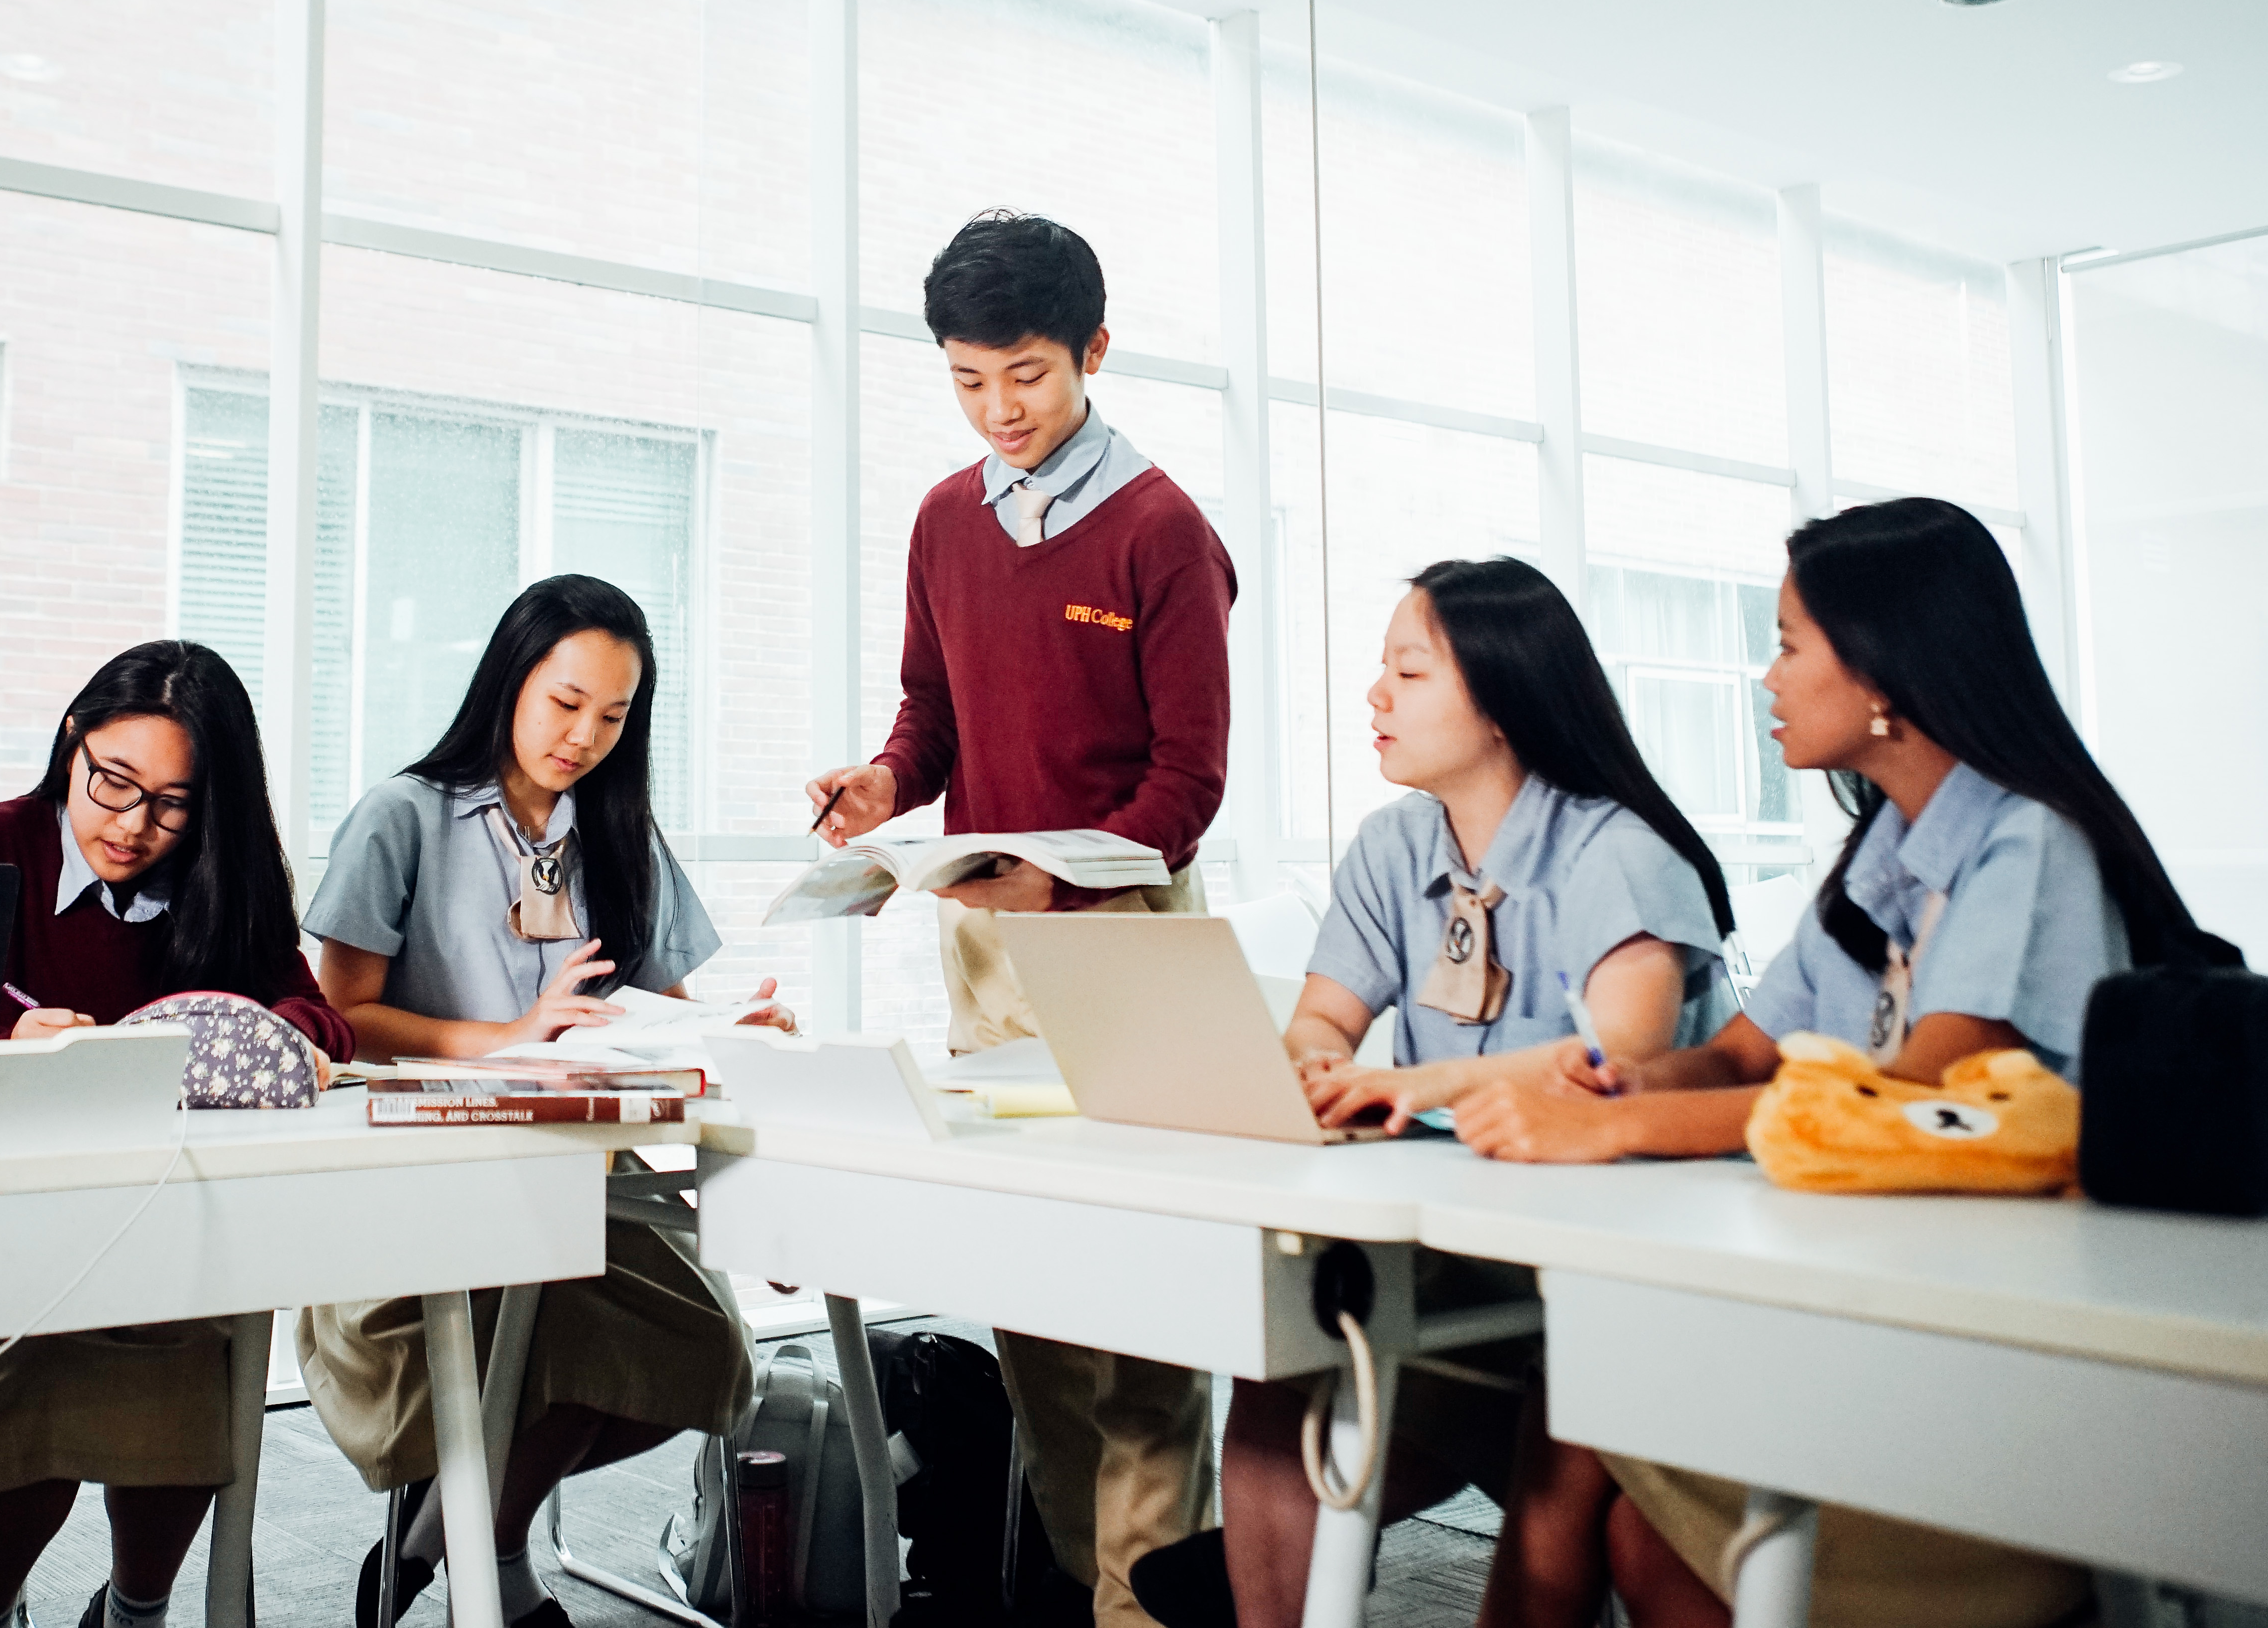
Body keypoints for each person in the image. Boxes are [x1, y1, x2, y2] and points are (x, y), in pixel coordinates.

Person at [1455, 498, 2199, 1628]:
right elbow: (1740, 1054)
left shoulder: (2026, 843)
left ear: (1885, 672)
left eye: (1790, 644)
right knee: (1631, 1525)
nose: (1767, 679)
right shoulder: (1885, 851)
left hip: (2015, 1392)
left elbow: (1910, 1101)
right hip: (1884, 1317)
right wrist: (1628, 1083)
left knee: (1583, 1392)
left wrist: (1614, 1132)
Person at [1128, 558, 1735, 1628]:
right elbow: (1323, 1018)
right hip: (1463, 1264)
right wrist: (1313, 1063)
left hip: (1623, 1287)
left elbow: (1615, 1063)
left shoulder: (1620, 853)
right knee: (1277, 1381)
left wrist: (1404, 1082)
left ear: (1501, 698)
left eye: (1407, 672)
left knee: (1547, 1445)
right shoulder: (1393, 846)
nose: (1374, 697)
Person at [807, 210, 1238, 1628]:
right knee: (1045, 1296)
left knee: (1153, 1306)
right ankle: (1079, 1583)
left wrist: (1065, 875)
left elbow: (1189, 783)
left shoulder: (1166, 533)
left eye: (1030, 376)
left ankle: (1151, 1602)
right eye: (969, 381)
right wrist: (883, 784)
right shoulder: (944, 516)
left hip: (1129, 936)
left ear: (1094, 353)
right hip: (989, 944)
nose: (1001, 411)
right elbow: (931, 718)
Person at [299, 574, 783, 1628]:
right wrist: (508, 1041)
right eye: (566, 703)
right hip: (425, 1179)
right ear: (510, 679)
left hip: (579, 1181)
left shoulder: (615, 832)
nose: (585, 737)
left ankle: (439, 1544)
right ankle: (494, 1571)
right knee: (553, 1317)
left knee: (713, 1358)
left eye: (613, 715)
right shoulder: (403, 816)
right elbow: (342, 1020)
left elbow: (661, 1010)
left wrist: (728, 1033)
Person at [0, 640, 355, 1628]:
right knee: (30, 1372)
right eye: (113, 783)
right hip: (3, 1222)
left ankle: (135, 1611)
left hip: (167, 1216)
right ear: (73, 741)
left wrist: (287, 1039)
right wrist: (4, 1035)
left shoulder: (224, 874)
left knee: (198, 1364)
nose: (133, 824)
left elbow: (315, 1012)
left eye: (172, 802)